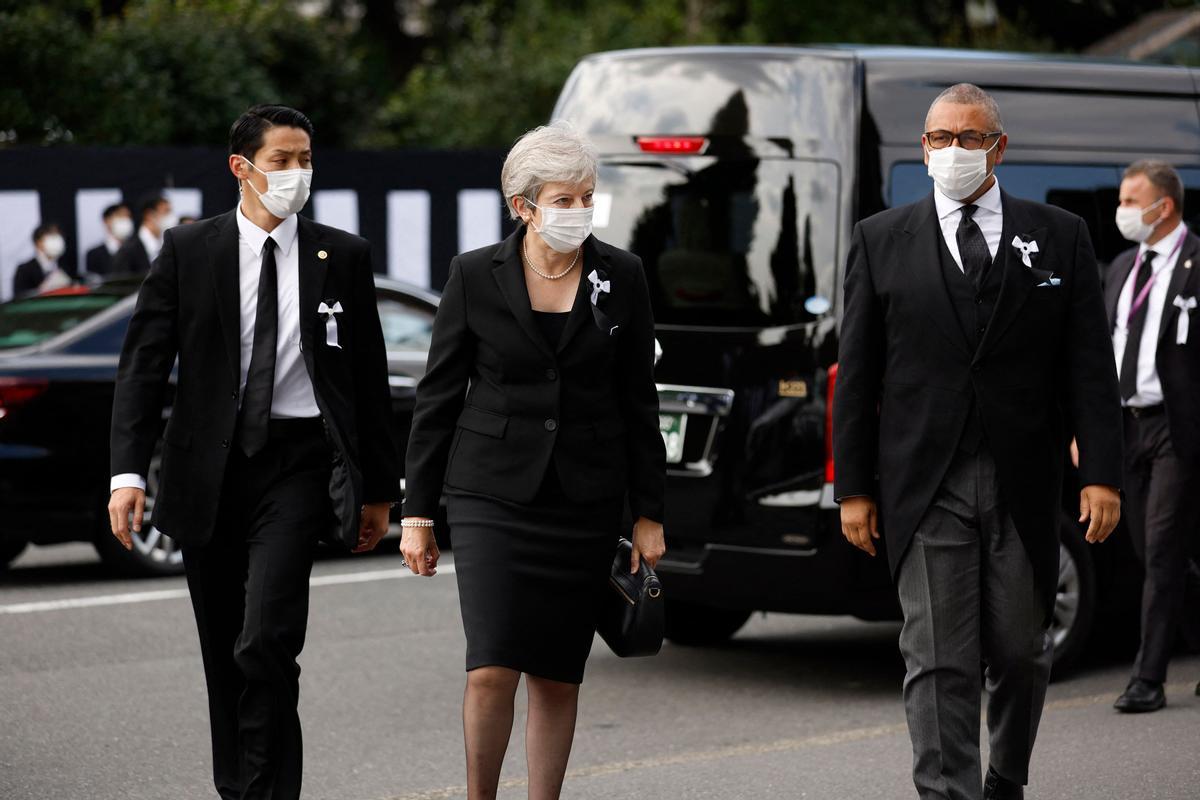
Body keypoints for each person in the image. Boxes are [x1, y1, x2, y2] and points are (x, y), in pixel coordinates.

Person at [833, 84, 1123, 800]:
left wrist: (1103, 473)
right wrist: (855, 489)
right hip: (924, 484)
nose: (953, 150)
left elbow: (1088, 363)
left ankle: (1006, 780)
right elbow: (857, 374)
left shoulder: (1060, 236)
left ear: (999, 146)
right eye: (939, 137)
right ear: (923, 147)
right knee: (938, 658)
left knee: (1022, 653)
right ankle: (947, 792)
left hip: (1023, 480)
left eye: (969, 137)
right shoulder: (880, 239)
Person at [107, 104, 399, 800]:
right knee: (224, 654)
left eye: (306, 160)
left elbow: (368, 378)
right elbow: (143, 367)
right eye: (282, 161)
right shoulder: (188, 250)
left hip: (297, 467)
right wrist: (126, 472)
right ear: (242, 168)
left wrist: (380, 491)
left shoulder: (342, 255)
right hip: (207, 470)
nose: (298, 174)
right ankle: (240, 789)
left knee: (266, 638)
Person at [401, 120, 666, 800]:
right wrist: (418, 513)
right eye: (564, 198)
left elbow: (639, 402)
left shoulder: (623, 275)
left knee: (557, 671)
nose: (579, 211)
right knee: (491, 666)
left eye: (587, 197)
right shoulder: (473, 275)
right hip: (491, 494)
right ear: (523, 206)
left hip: (584, 499)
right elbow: (437, 398)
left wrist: (648, 515)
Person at [1101, 161, 1200, 713]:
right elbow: (1100, 350)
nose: (1122, 212)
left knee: (1162, 551)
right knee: (1151, 552)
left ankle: (1149, 678)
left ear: (1164, 207)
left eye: (1131, 201)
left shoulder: (1196, 263)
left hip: (1175, 428)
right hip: (1125, 426)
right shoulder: (1122, 266)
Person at [112, 192, 174, 275]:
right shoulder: (127, 251)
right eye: (166, 212)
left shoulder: (169, 246)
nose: (171, 217)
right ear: (149, 214)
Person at [13, 222, 73, 298]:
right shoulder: (24, 270)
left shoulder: (65, 266)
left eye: (59, 237)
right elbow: (19, 298)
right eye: (52, 237)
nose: (57, 241)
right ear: (38, 242)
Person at [85, 203, 133, 276]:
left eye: (128, 217)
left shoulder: (136, 251)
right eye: (120, 216)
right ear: (107, 220)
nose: (125, 220)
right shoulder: (94, 254)